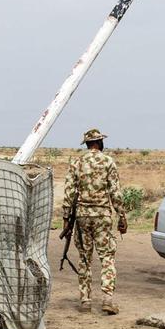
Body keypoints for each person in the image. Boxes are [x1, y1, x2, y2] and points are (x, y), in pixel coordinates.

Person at [61, 127, 128, 315]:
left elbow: (69, 192)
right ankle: (107, 299)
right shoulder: (108, 162)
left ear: (88, 144)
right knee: (107, 257)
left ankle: (85, 301)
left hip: (82, 217)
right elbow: (115, 191)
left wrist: (66, 218)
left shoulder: (77, 162)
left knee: (84, 258)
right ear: (99, 143)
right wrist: (122, 215)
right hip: (103, 216)